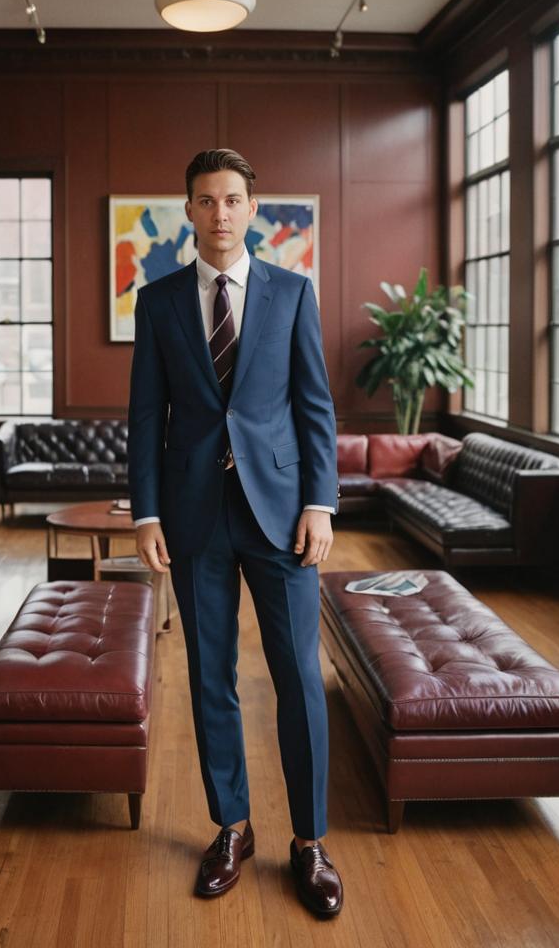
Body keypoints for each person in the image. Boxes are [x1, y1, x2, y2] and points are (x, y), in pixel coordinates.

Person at [127, 148, 343, 918]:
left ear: (253, 208)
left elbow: (314, 407)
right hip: (192, 516)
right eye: (205, 200)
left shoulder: (292, 293)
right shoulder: (157, 305)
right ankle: (232, 827)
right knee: (210, 676)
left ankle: (311, 842)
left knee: (298, 679)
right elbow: (147, 418)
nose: (220, 213)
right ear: (188, 211)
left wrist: (321, 501)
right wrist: (146, 512)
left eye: (233, 199)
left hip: (282, 517)